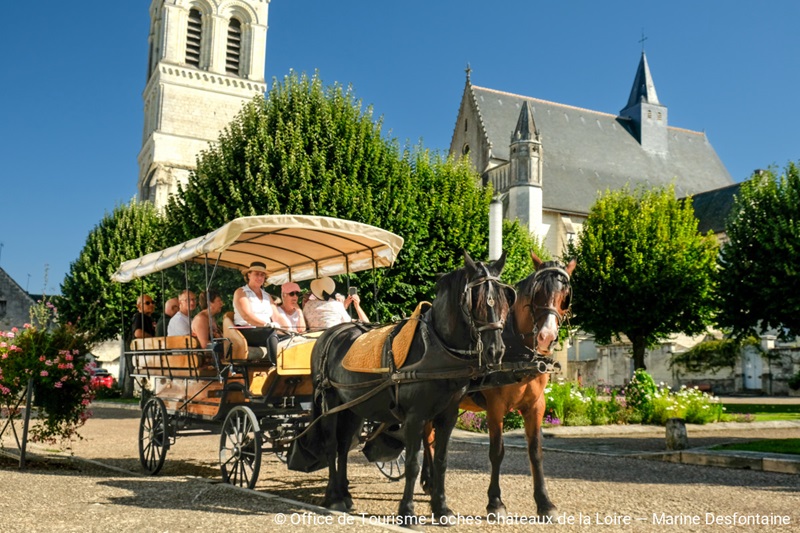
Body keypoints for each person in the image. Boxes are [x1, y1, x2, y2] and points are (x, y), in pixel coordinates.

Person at [232, 261, 283, 361]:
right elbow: (247, 316)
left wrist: (290, 330)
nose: (260, 277)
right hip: (246, 330)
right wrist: (266, 324)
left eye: (262, 275)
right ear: (249, 275)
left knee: (289, 338)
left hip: (264, 331)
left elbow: (277, 316)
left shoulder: (267, 296)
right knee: (271, 333)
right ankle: (276, 366)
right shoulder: (241, 292)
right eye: (257, 274)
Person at [304, 276, 368, 330]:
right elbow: (347, 321)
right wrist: (357, 306)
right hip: (333, 337)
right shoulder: (336, 305)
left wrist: (345, 304)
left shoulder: (307, 306)